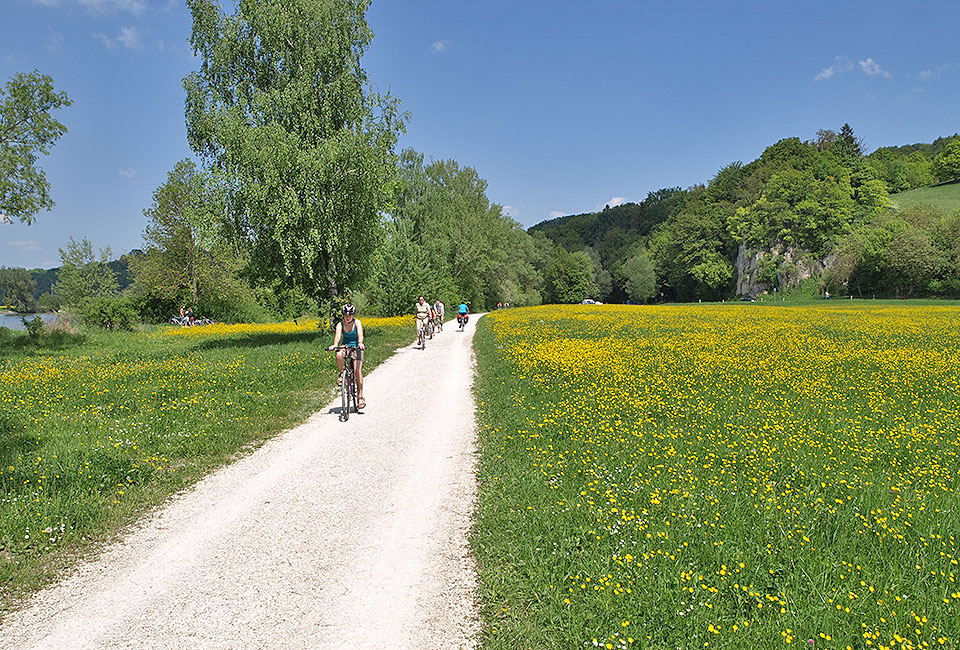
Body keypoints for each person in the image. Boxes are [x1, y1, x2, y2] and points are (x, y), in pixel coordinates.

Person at [327, 304, 366, 409]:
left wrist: (360, 343)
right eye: (346, 315)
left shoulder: (357, 323)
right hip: (346, 346)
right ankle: (342, 374)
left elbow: (360, 334)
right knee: (339, 354)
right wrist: (335, 345)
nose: (348, 317)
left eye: (350, 315)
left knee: (357, 371)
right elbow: (338, 336)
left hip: (357, 347)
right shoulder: (340, 325)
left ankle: (360, 397)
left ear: (353, 315)